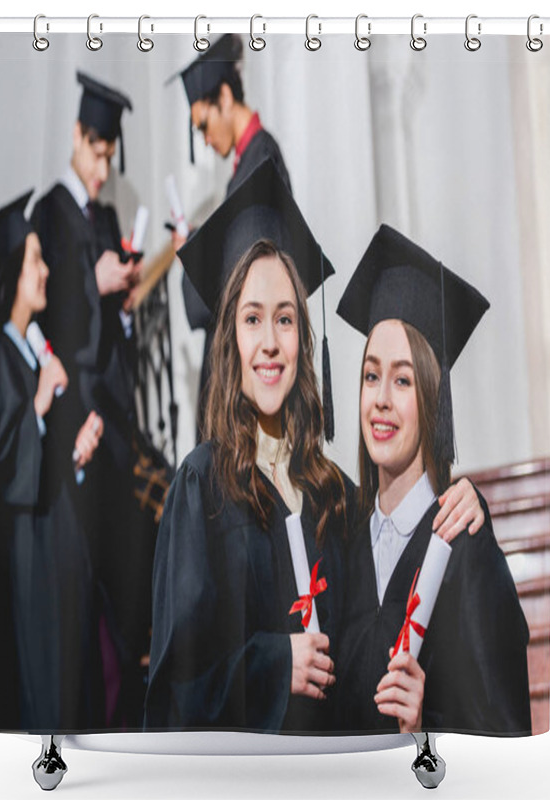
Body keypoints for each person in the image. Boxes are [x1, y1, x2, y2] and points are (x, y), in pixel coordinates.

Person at [145, 168, 484, 732]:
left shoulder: (336, 497)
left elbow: (373, 655)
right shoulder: (200, 489)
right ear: (230, 336)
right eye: (253, 319)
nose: (271, 343)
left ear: (304, 337)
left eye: (285, 318)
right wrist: (276, 664)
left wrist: (467, 499)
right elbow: (174, 696)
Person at [335, 225, 532, 736]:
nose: (381, 398)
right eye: (371, 376)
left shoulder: (463, 548)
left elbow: (504, 741)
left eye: (402, 380)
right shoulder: (340, 544)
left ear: (433, 401)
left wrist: (423, 733)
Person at [31, 72, 151, 728]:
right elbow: (50, 315)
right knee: (94, 583)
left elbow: (110, 329)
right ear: (78, 137)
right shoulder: (51, 212)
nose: (104, 169)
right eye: (97, 153)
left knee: (128, 566)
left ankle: (133, 703)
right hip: (79, 419)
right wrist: (92, 283)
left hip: (115, 414)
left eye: (111, 157)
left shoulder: (103, 217)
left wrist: (123, 301)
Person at [0, 191, 103, 731]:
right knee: (43, 692)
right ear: (11, 278)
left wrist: (75, 451)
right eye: (34, 261)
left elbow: (42, 458)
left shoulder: (31, 344)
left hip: (59, 549)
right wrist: (41, 402)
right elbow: (4, 467)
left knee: (74, 685)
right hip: (29, 565)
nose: (45, 270)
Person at [167, 34, 292, 439]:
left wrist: (194, 258)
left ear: (224, 97)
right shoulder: (247, 167)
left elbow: (239, 279)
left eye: (203, 124)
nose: (204, 138)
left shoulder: (261, 162)